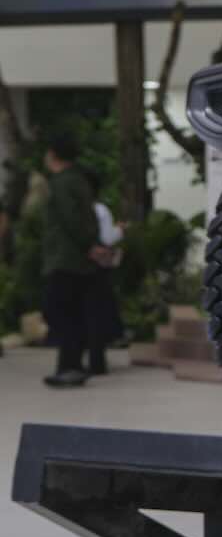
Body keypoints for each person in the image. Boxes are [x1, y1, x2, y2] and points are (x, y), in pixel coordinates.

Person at [39, 132, 102, 387]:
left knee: (58, 311)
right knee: (71, 313)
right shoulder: (78, 179)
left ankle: (71, 366)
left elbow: (71, 219)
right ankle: (71, 366)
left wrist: (87, 244)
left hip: (65, 258)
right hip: (75, 259)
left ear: (53, 154)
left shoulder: (62, 182)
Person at [81, 168, 126, 375]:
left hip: (77, 267)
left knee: (81, 315)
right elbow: (107, 238)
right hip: (97, 269)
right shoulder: (100, 209)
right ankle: (97, 362)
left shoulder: (74, 209)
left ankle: (77, 359)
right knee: (96, 314)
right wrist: (120, 230)